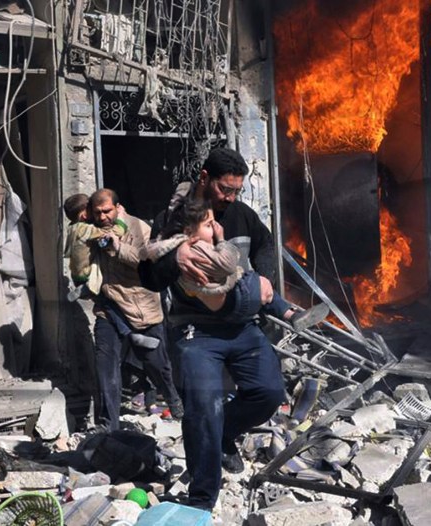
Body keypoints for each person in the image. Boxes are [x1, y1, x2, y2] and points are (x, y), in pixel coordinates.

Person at [138, 147, 288, 511]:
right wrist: (176, 258)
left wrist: (266, 279)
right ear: (205, 178)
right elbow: (148, 275)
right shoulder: (174, 219)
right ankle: (201, 499)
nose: (231, 197)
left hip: (242, 327)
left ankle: (220, 435)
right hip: (196, 332)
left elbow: (266, 244)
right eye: (225, 189)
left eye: (236, 190)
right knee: (203, 406)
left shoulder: (242, 215)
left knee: (268, 393)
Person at [142, 197, 326, 327]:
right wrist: (222, 241)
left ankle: (291, 314)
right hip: (228, 298)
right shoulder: (198, 249)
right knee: (261, 285)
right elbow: (228, 263)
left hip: (219, 299)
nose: (215, 227)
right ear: (190, 231)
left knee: (263, 289)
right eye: (209, 225)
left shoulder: (181, 247)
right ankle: (290, 315)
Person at [89, 188, 183, 431]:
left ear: (118, 208)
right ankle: (108, 426)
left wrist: (118, 247)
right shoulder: (94, 229)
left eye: (106, 211)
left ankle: (173, 401)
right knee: (105, 368)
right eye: (97, 212)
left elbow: (146, 261)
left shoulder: (139, 228)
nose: (102, 217)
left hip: (142, 309)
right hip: (109, 309)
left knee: (157, 365)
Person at [62, 193, 126, 302]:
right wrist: (120, 217)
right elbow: (116, 232)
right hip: (87, 275)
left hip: (76, 274)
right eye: (92, 210)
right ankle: (85, 290)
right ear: (84, 216)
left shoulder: (72, 227)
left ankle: (86, 291)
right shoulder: (86, 229)